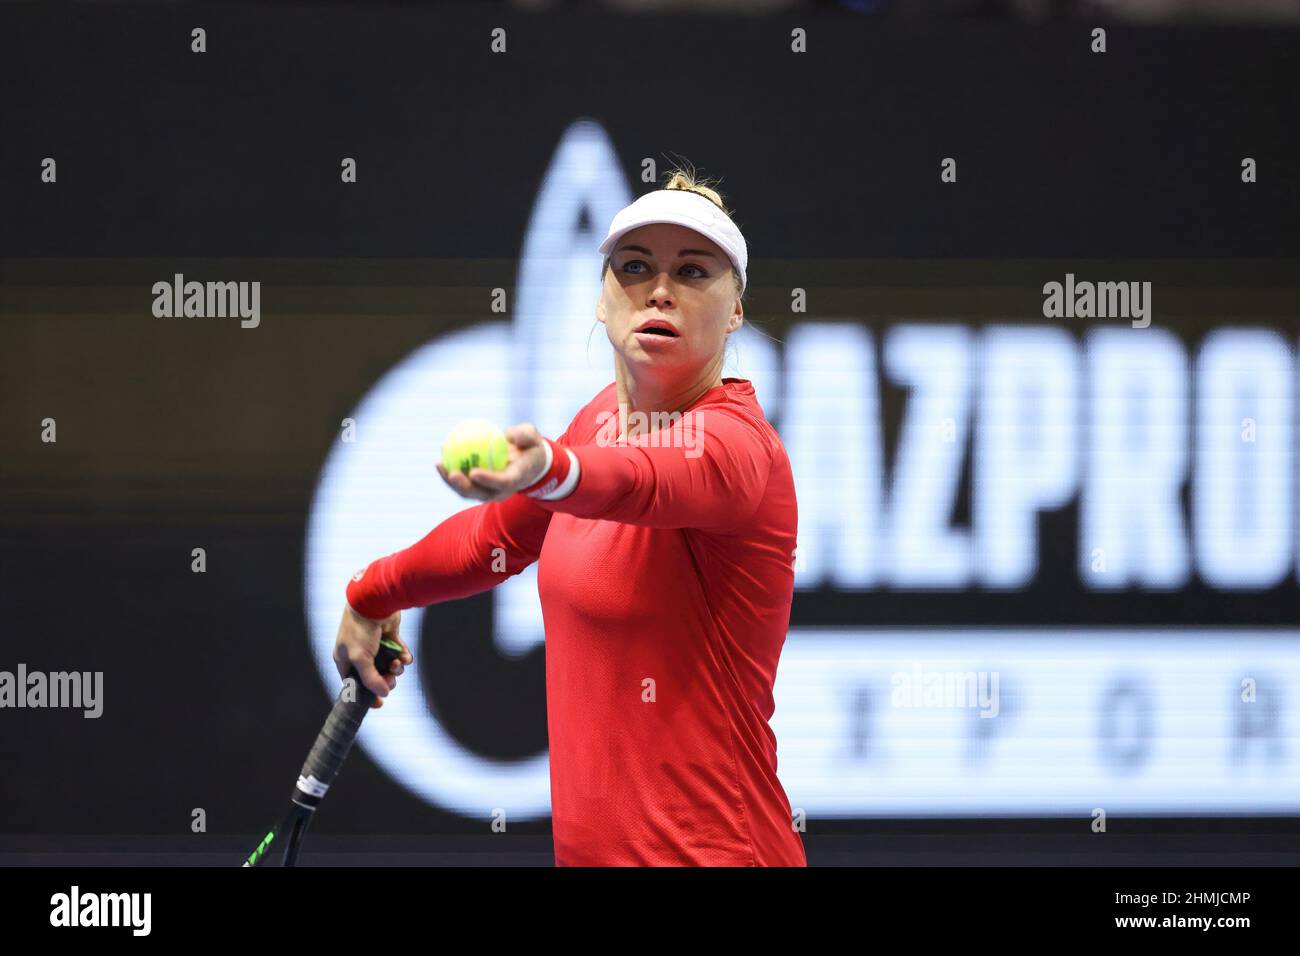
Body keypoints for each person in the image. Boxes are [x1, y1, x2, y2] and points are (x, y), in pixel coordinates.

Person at [335, 168, 806, 866]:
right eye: (635, 267)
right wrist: (372, 592)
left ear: (736, 310)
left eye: (694, 271)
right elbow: (491, 541)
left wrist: (554, 470)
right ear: (601, 298)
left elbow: (644, 480)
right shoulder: (594, 422)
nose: (660, 290)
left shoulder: (739, 445)